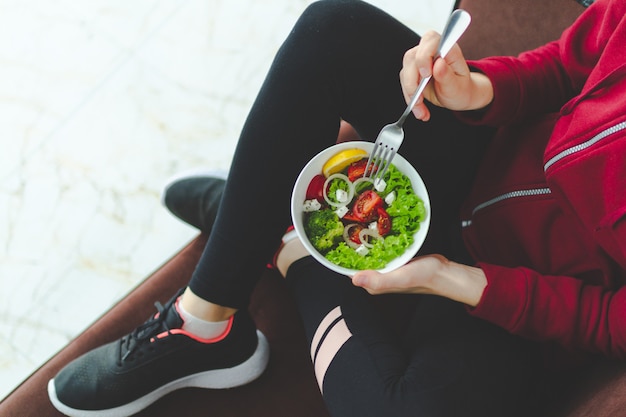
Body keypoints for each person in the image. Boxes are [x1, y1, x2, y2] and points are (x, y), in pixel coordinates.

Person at [47, 0, 626, 416]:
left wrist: (461, 283)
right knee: (332, 30)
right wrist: (478, 90)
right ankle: (205, 323)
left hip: (515, 301)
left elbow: (610, 323)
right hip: (481, 154)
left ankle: (285, 243)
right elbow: (574, 59)